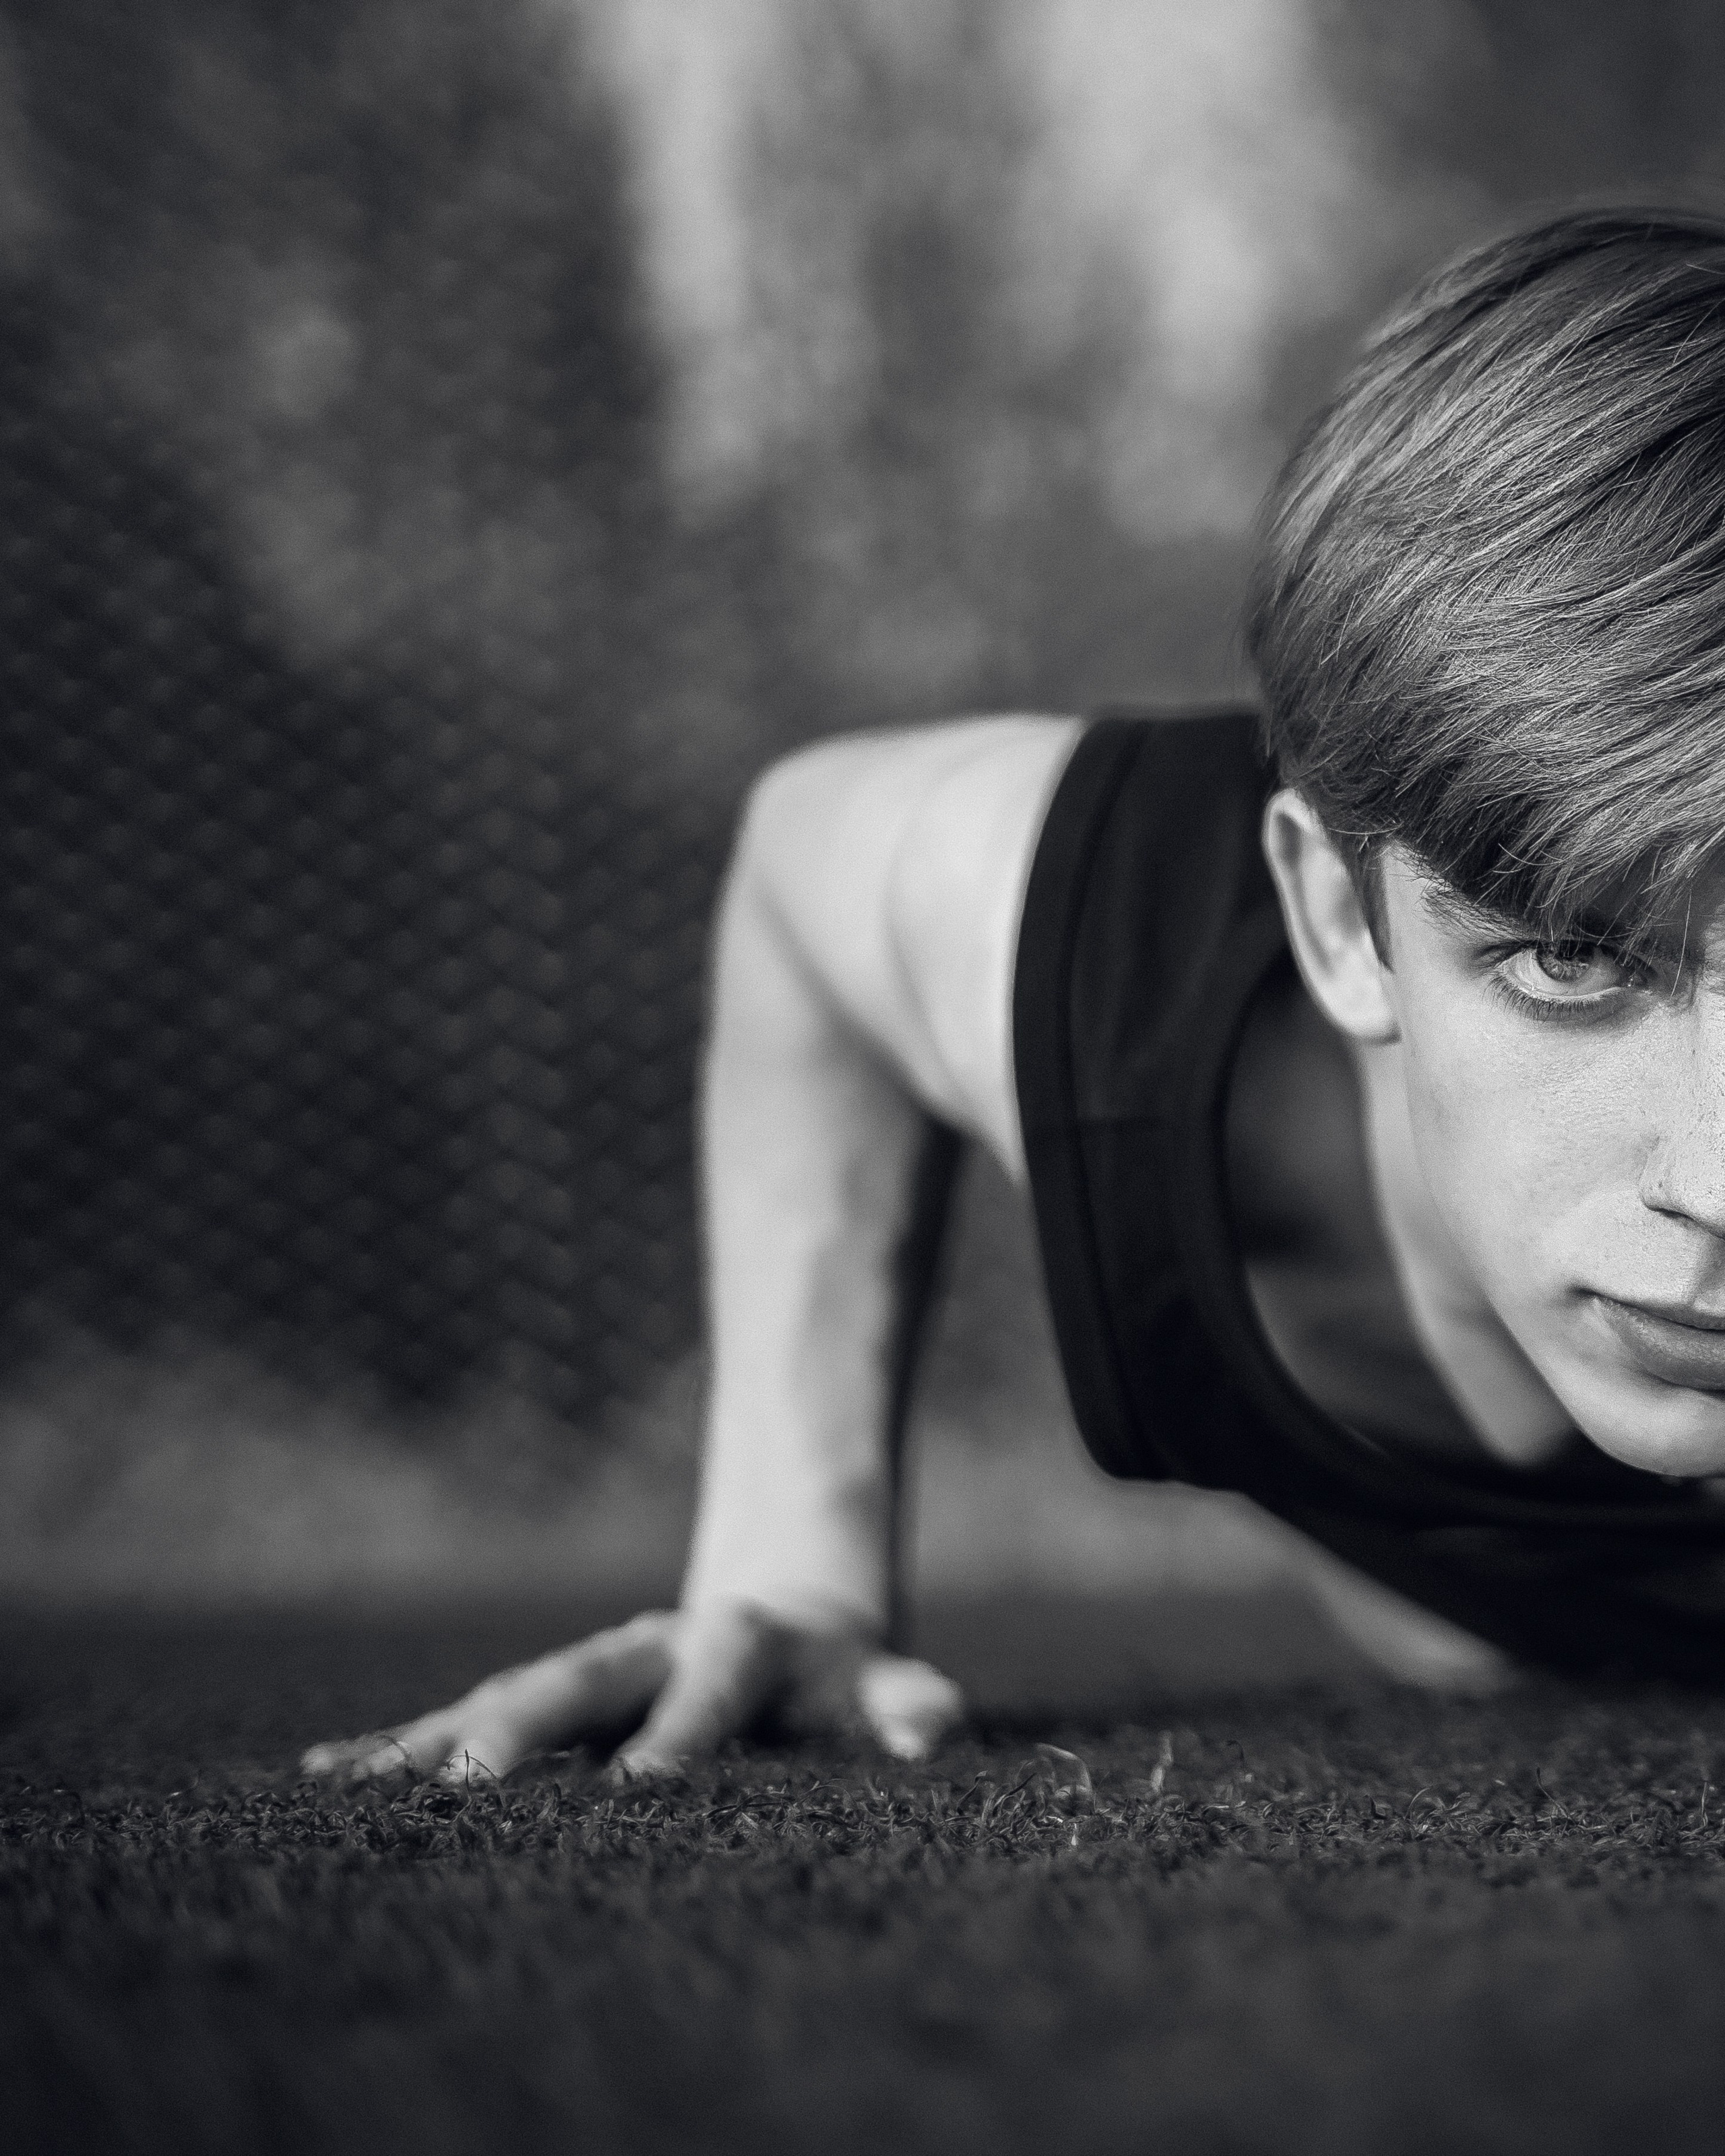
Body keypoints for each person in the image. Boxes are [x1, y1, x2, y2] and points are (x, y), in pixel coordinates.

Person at [305, 205, 1725, 1787]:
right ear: (1338, 917)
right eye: (1574, 960)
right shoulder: (1106, 964)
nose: (1718, 1184)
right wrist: (792, 1552)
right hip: (1483, 1623)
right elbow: (805, 862)